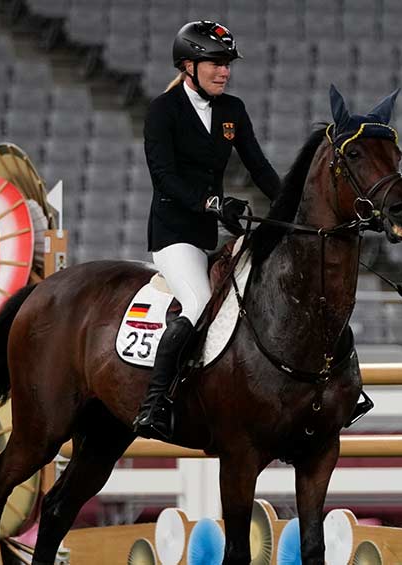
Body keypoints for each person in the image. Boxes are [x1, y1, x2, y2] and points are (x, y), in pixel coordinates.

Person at [133, 20, 282, 440]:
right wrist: (215, 203)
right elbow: (165, 179)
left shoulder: (232, 110)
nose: (224, 71)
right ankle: (154, 403)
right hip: (173, 234)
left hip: (210, 235)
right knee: (198, 299)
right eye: (215, 63)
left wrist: (294, 204)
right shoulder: (162, 112)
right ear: (188, 65)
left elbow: (259, 166)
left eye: (227, 64)